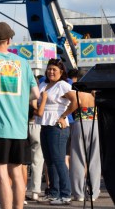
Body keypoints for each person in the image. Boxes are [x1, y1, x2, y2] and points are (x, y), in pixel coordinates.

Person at [0, 22, 39, 209]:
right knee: (17, 174)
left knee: (1, 174)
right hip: (20, 128)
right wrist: (20, 100)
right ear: (9, 39)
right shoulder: (22, 62)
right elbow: (36, 94)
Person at [34, 59, 72, 205]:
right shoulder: (43, 84)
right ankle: (54, 192)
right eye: (49, 69)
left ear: (61, 72)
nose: (51, 72)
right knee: (49, 161)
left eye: (54, 69)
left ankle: (65, 194)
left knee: (59, 160)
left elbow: (75, 101)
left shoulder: (63, 85)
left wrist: (63, 116)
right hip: (44, 125)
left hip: (58, 127)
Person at [59, 72, 100, 202]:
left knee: (77, 158)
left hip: (80, 124)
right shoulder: (95, 94)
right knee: (95, 159)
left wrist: (64, 115)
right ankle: (93, 193)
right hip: (96, 124)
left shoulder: (76, 93)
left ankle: (79, 193)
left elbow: (76, 102)